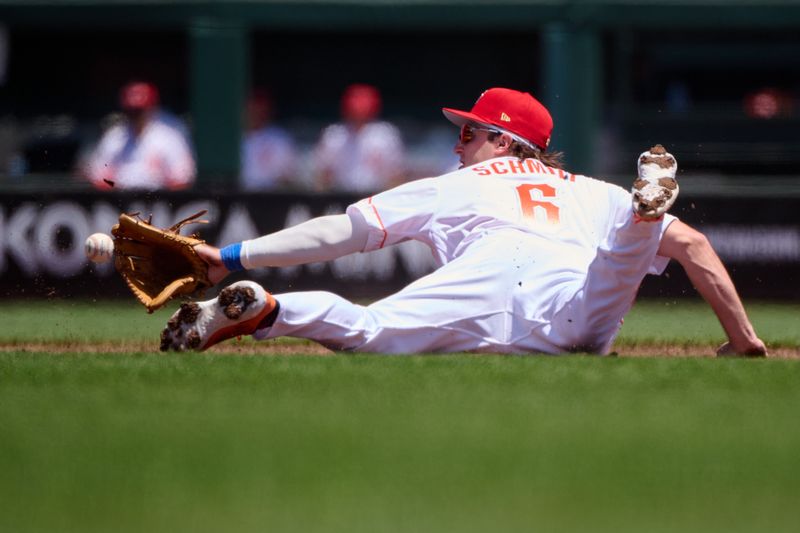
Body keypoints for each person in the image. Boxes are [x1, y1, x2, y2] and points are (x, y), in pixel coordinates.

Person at [160, 87, 767, 357]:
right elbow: (694, 245)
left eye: (471, 131)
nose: (460, 142)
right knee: (614, 271)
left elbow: (339, 234)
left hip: (478, 277)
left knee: (367, 330)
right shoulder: (586, 188)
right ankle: (641, 218)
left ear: (503, 141)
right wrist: (743, 340)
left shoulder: (456, 185)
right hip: (571, 290)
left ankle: (270, 308)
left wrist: (233, 257)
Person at [82, 81, 196, 191]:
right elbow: (99, 178)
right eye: (131, 111)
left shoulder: (169, 137)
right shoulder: (114, 137)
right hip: (119, 203)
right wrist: (116, 191)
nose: (135, 116)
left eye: (139, 111)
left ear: (152, 107)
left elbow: (182, 180)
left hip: (159, 203)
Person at [313, 83, 406, 193]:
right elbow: (323, 174)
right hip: (340, 194)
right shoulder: (334, 135)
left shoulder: (385, 135)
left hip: (375, 195)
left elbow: (396, 175)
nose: (358, 114)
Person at [240, 88, 298, 191]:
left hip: (270, 196)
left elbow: (288, 177)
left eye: (261, 107)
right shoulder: (233, 138)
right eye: (253, 107)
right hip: (237, 194)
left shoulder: (280, 138)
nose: (257, 112)